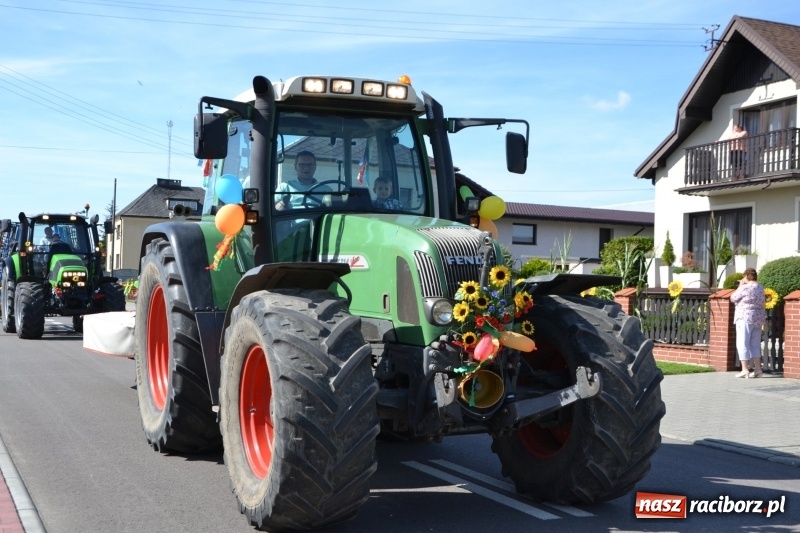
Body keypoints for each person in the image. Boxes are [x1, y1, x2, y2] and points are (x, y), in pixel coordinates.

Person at [730, 267, 766, 378]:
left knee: (742, 343)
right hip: (758, 318)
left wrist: (740, 285)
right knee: (755, 344)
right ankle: (758, 369)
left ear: (746, 276)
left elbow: (733, 298)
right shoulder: (760, 287)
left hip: (744, 317)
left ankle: (745, 369)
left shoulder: (745, 287)